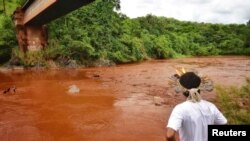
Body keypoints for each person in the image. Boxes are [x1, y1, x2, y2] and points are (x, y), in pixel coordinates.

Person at [166, 72, 227, 141]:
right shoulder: (211, 106)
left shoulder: (180, 109)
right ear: (199, 89)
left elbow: (169, 135)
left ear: (182, 90)